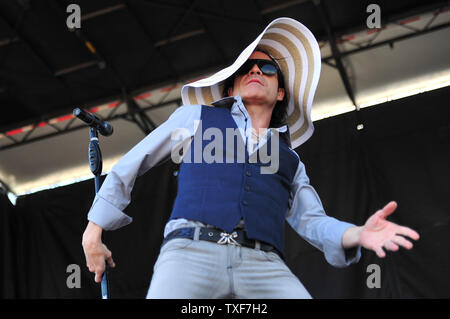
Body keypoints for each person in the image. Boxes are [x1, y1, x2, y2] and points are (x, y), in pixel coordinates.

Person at [82, 18, 420, 298]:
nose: (256, 70)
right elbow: (132, 163)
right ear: (231, 89)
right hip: (190, 253)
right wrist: (93, 231)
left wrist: (358, 233)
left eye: (267, 68)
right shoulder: (196, 118)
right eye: (247, 67)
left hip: (264, 263)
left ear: (281, 91)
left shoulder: (288, 159)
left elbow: (313, 221)